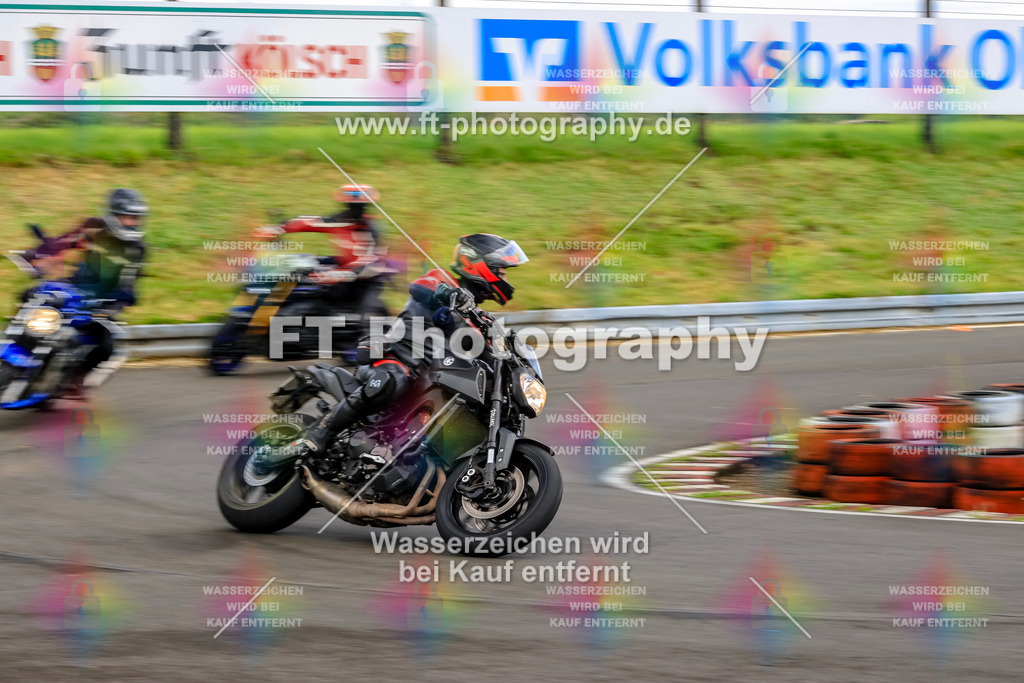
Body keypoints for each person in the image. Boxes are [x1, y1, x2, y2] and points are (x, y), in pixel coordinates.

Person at [292, 233, 529, 455]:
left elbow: (488, 353)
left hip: (429, 377)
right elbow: (419, 286)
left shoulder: (478, 316)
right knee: (393, 379)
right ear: (476, 264)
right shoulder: (443, 281)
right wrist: (447, 294)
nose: (504, 277)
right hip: (395, 355)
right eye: (502, 271)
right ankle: (320, 432)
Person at [24, 188, 148, 397]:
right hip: (73, 287)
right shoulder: (93, 227)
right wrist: (35, 255)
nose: (133, 222)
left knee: (106, 344)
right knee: (29, 295)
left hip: (104, 302)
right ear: (113, 215)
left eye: (137, 218)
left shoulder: (137, 249)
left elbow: (130, 283)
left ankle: (75, 379)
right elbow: (62, 242)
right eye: (128, 217)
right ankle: (15, 345)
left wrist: (116, 305)